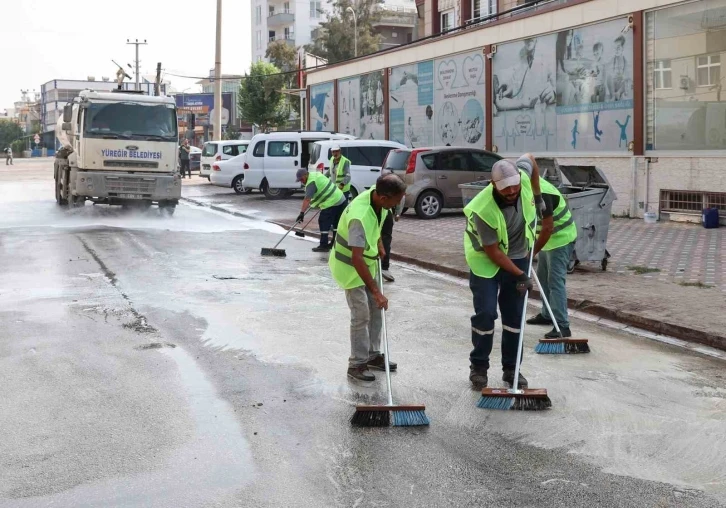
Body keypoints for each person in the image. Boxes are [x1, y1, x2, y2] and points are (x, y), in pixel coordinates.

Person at [463, 158, 553, 390]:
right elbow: (493, 252)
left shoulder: (521, 177)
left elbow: (530, 159)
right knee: (486, 313)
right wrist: (521, 274)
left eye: (515, 186)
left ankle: (512, 368)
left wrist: (538, 194)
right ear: (494, 185)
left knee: (514, 316)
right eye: (506, 188)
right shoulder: (482, 209)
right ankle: (479, 367)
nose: (513, 191)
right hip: (487, 262)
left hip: (518, 256)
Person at [329, 174, 407, 381]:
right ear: (383, 198)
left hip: (367, 260)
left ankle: (373, 355)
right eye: (396, 202)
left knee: (376, 309)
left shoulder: (378, 195)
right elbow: (356, 258)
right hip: (350, 266)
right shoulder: (359, 217)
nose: (398, 205)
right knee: (361, 314)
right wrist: (376, 291)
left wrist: (379, 242)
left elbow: (377, 222)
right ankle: (356, 364)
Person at [518, 156, 577, 339]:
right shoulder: (526, 185)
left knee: (555, 281)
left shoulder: (543, 194)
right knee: (543, 277)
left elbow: (549, 227)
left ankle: (562, 325)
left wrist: (532, 252)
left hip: (561, 238)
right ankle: (546, 314)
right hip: (546, 240)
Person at [295, 168, 348, 253]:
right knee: (336, 223)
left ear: (306, 175)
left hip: (332, 201)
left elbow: (307, 199)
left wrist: (301, 213)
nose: (302, 181)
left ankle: (323, 245)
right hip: (341, 198)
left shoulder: (311, 183)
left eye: (301, 179)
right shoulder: (316, 174)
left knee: (323, 221)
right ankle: (334, 243)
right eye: (300, 180)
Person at [381, 193, 405, 282]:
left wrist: (398, 213)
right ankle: (384, 267)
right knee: (385, 239)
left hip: (382, 214)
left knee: (382, 239)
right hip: (386, 213)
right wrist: (398, 213)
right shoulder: (395, 185)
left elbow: (401, 197)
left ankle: (382, 267)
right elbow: (402, 197)